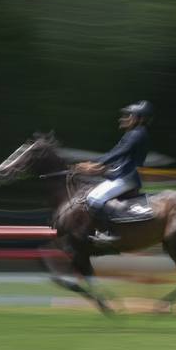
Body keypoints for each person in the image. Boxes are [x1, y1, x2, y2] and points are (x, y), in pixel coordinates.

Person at [75, 100, 154, 247]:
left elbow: (119, 153)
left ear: (140, 119)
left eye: (129, 115)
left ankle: (109, 233)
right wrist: (94, 163)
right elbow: (115, 154)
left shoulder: (137, 133)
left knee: (93, 198)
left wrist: (96, 164)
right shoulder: (133, 133)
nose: (123, 118)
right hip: (122, 175)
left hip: (127, 178)